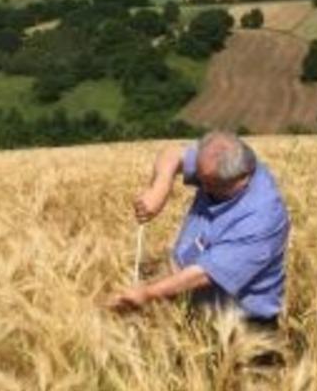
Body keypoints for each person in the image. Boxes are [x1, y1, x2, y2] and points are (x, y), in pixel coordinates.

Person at [108, 131, 290, 328]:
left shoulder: (260, 218)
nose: (199, 185)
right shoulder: (220, 161)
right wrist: (160, 188)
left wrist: (147, 294)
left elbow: (204, 274)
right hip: (195, 308)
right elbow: (172, 153)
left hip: (242, 323)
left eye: (207, 183)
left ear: (236, 180)